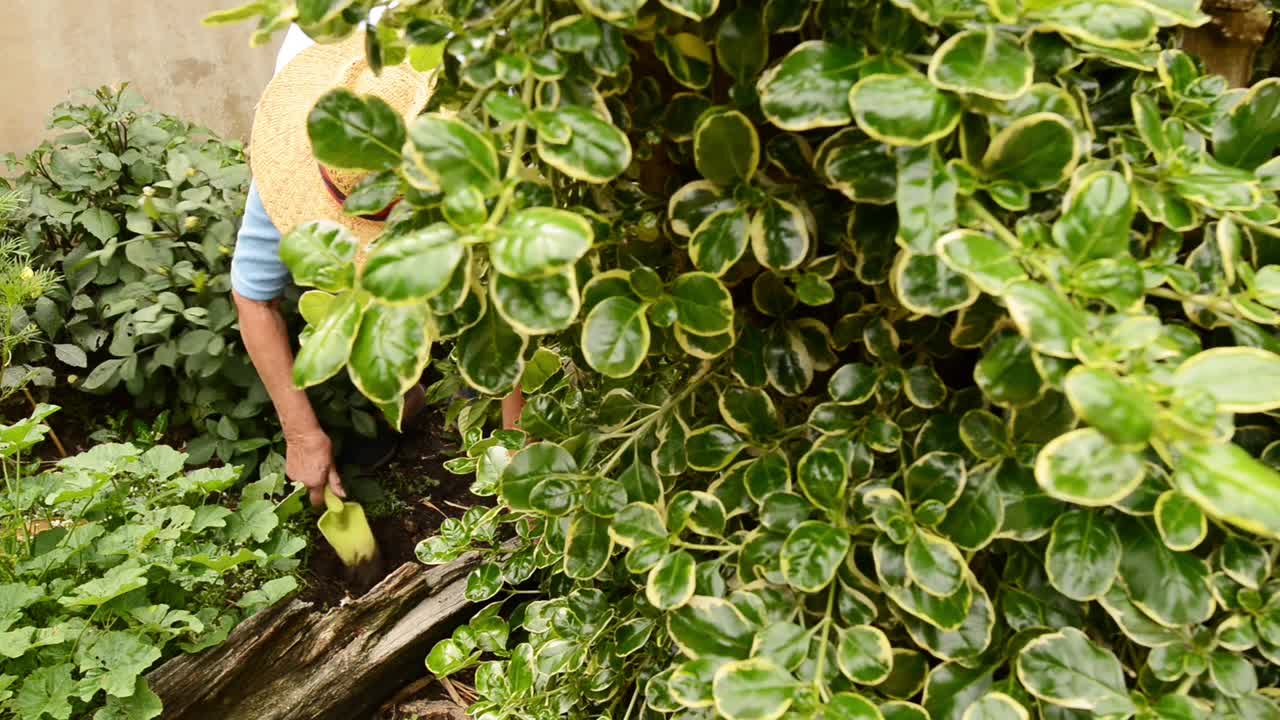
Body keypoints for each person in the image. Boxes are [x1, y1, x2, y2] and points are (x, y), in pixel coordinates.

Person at [232, 22, 522, 508]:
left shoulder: (493, 118)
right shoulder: (294, 153)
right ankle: (405, 399)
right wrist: (302, 436)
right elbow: (251, 295)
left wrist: (521, 444)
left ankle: (467, 395)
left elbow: (517, 295)